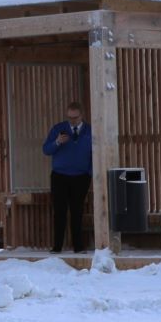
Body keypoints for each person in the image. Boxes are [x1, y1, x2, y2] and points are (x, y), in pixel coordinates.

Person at [42, 101, 92, 253]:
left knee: (77, 211)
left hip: (81, 177)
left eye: (75, 117)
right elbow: (46, 150)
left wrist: (89, 172)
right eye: (69, 117)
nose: (72, 121)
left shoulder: (89, 131)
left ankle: (78, 246)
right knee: (59, 211)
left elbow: (95, 152)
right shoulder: (59, 129)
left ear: (81, 115)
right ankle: (57, 246)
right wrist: (57, 142)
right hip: (60, 176)